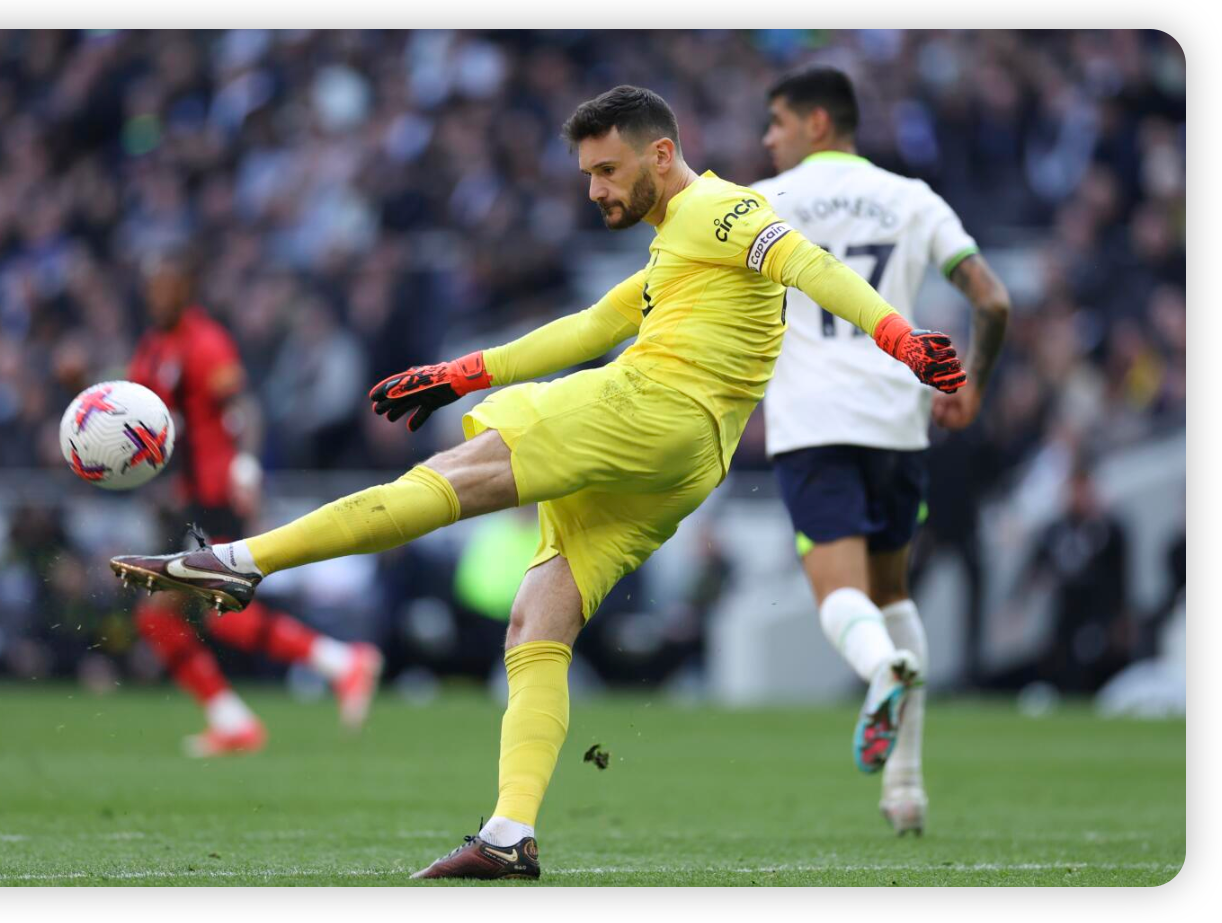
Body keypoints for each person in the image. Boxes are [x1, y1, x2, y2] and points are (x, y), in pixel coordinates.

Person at [111, 87, 965, 878]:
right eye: (587, 173)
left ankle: (240, 559)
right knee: (538, 617)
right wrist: (461, 372)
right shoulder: (680, 245)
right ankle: (510, 833)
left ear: (662, 155)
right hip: (685, 461)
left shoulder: (721, 205)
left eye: (607, 170)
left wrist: (897, 336)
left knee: (455, 474)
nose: (594, 189)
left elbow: (810, 264)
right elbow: (591, 324)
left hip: (654, 406)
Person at [754, 67, 1011, 834]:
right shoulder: (912, 197)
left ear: (818, 124)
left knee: (841, 595)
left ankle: (878, 673)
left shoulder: (766, 204)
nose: (768, 139)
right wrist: (973, 385)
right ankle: (905, 792)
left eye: (777, 123)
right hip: (899, 421)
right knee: (893, 595)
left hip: (813, 422)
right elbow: (992, 298)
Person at [123, 251, 381, 757]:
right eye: (151, 287)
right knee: (177, 616)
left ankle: (332, 667)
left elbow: (242, 406)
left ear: (186, 287)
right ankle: (305, 681)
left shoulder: (205, 342)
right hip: (189, 502)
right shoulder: (154, 347)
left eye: (167, 285)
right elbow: (130, 411)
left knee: (201, 612)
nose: (157, 296)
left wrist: (245, 462)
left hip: (221, 496)